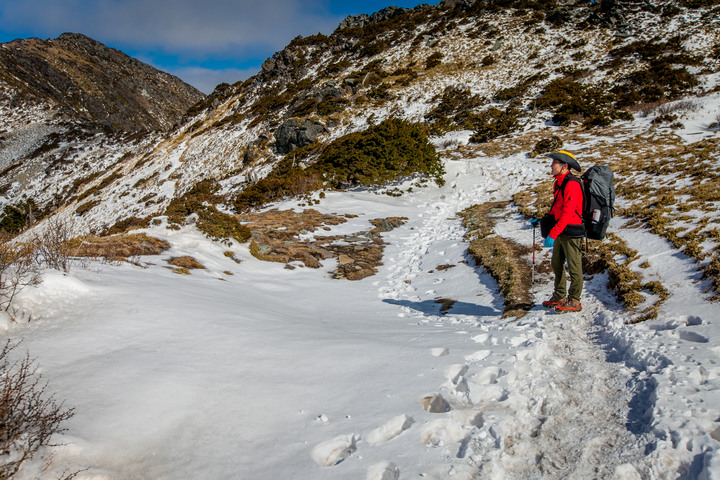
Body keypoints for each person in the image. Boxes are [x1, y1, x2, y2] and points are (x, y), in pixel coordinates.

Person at [538, 151, 584, 313]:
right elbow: (557, 207)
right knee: (556, 263)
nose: (551, 166)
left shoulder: (572, 184)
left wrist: (553, 233)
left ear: (564, 166)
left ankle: (574, 300)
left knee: (574, 265)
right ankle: (559, 295)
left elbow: (568, 212)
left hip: (571, 230)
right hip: (561, 229)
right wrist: (543, 220)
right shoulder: (559, 183)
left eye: (554, 164)